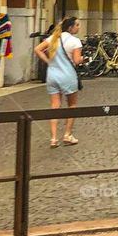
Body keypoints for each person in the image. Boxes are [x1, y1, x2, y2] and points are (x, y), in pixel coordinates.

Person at [34, 17, 83, 147]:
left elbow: (37, 49)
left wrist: (48, 61)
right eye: (77, 25)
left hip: (52, 75)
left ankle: (53, 138)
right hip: (68, 76)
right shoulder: (75, 41)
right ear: (70, 27)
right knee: (72, 105)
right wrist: (83, 59)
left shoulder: (53, 38)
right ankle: (67, 135)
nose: (78, 27)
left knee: (54, 106)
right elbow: (77, 61)